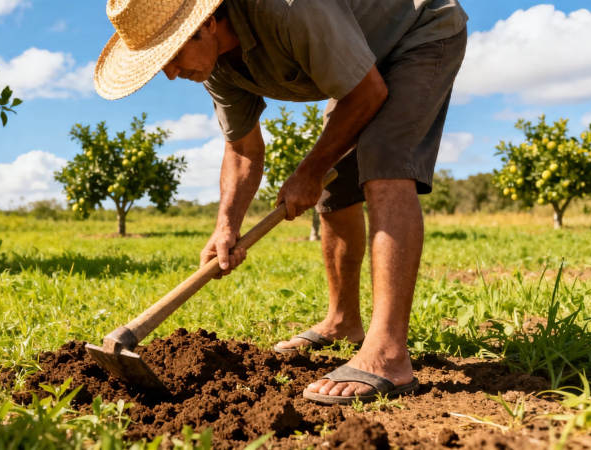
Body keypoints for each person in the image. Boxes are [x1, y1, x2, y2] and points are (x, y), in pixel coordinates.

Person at [94, 0, 467, 404]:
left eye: (171, 54)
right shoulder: (216, 67)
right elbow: (242, 150)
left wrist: (308, 170)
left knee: (384, 165)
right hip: (362, 57)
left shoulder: (288, 9)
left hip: (418, 29)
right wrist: (226, 226)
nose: (169, 73)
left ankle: (388, 355)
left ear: (206, 24)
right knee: (335, 189)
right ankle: (343, 322)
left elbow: (367, 93)